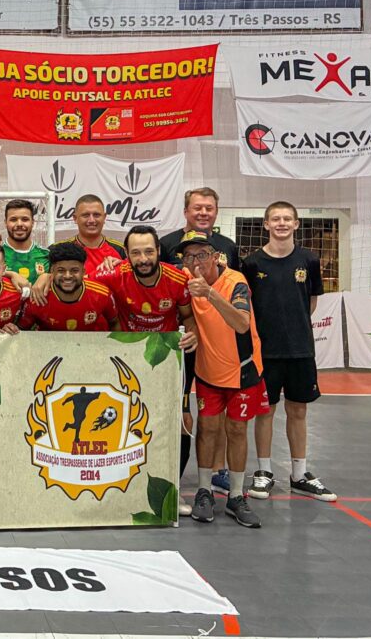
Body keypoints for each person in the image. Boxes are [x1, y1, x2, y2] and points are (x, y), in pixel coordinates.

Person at [94, 225, 198, 514]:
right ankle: (121, 488)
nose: (143, 259)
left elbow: (188, 317)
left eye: (149, 251)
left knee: (180, 422)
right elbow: (75, 282)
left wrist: (193, 333)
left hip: (167, 357)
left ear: (159, 251)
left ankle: (173, 489)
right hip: (128, 357)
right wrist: (43, 280)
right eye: (136, 253)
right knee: (126, 422)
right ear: (126, 255)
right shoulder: (114, 274)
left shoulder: (178, 279)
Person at [241, 202, 335, 502]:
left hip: (300, 349)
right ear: (266, 224)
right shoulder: (251, 263)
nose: (281, 223)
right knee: (265, 411)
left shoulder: (309, 259)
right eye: (275, 219)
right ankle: (264, 471)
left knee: (298, 410)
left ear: (296, 224)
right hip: (265, 352)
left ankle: (299, 474)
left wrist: (294, 327)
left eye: (287, 219)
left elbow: (311, 302)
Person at [180, 231, 268, 528]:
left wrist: (209, 293)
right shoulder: (185, 279)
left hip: (242, 370)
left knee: (237, 430)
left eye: (202, 255)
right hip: (208, 371)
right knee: (207, 429)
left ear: (216, 257)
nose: (195, 262)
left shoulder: (235, 281)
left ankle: (236, 495)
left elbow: (242, 323)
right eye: (189, 256)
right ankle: (204, 491)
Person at [159, 187, 239, 496]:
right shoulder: (167, 244)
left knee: (216, 410)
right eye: (197, 208)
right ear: (186, 211)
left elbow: (234, 291)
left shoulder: (228, 246)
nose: (203, 213)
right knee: (179, 409)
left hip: (216, 340)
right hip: (179, 339)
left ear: (216, 212)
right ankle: (169, 473)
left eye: (209, 208)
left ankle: (218, 471)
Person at [19, 241, 118, 332]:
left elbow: (115, 323)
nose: (67, 276)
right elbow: (22, 331)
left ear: (83, 271)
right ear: (52, 271)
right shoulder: (37, 298)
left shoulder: (102, 294)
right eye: (61, 270)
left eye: (74, 270)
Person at [53, 195, 125, 277]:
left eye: (96, 215)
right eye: (86, 215)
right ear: (75, 218)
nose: (91, 220)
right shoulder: (57, 250)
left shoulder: (121, 251)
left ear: (104, 217)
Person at [2, 199, 49, 285]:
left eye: (25, 219)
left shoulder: (46, 255)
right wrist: (10, 274)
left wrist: (48, 276)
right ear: (5, 223)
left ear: (33, 222)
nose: (19, 224)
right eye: (13, 219)